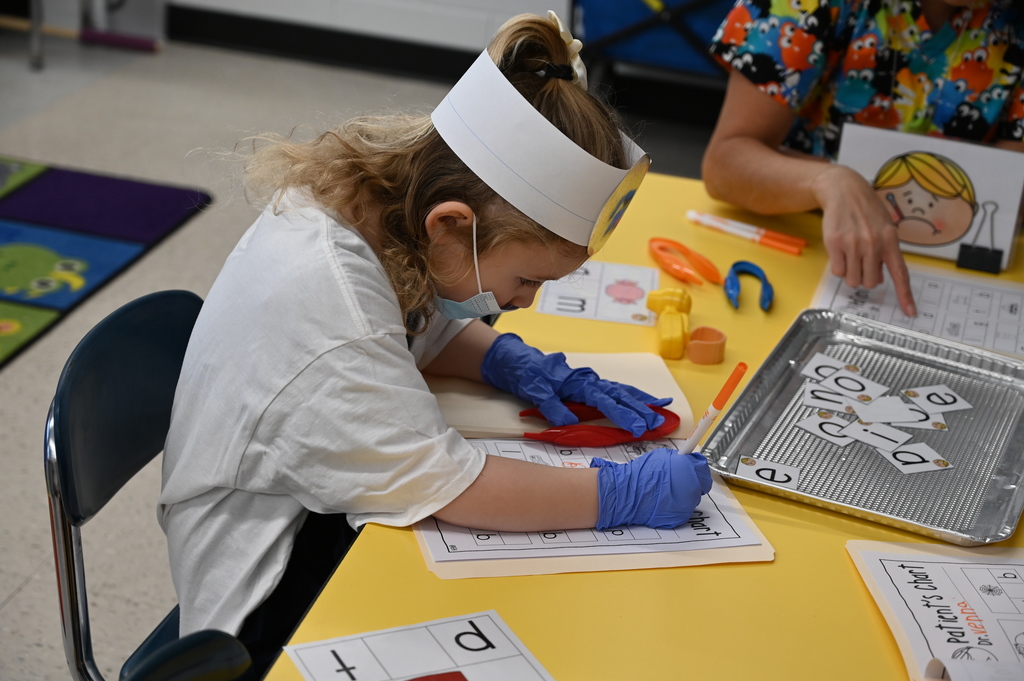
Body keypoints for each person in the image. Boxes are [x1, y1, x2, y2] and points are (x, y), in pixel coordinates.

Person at [158, 11, 713, 675]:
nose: (525, 303)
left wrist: (513, 362)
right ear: (452, 224)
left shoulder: (383, 198)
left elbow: (412, 327)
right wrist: (619, 495)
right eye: (527, 278)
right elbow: (456, 486)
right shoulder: (331, 307)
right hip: (260, 602)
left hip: (314, 506)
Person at [702, 0, 1024, 317]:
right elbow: (725, 163)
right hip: (805, 237)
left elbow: (1009, 193)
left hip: (960, 272)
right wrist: (826, 180)